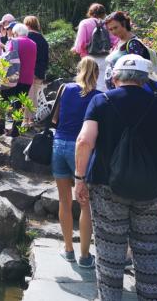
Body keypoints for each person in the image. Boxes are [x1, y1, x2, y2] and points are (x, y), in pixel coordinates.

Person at [74, 54, 157, 301]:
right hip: (153, 189)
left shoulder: (101, 101)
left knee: (109, 253)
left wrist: (79, 178)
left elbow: (84, 141)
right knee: (149, 253)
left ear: (114, 77)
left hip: (106, 188)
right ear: (145, 79)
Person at [51, 57, 100, 267]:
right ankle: (85, 256)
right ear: (96, 74)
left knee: (64, 200)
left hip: (58, 144)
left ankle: (68, 249)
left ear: (79, 70)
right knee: (85, 204)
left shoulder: (65, 88)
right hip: (80, 149)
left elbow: (54, 119)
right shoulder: (99, 97)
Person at [0, 23, 37, 137]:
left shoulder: (13, 42)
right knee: (19, 104)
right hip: (27, 78)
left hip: (13, 77)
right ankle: (15, 131)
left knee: (2, 101)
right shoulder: (33, 44)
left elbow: (7, 57)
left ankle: (0, 129)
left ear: (15, 32)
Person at [103, 11, 154, 90]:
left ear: (124, 23)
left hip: (128, 92)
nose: (113, 31)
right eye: (110, 29)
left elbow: (136, 72)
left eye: (115, 27)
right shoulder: (118, 43)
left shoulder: (133, 44)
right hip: (117, 91)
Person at [72, 3, 119, 92]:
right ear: (104, 13)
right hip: (106, 58)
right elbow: (115, 41)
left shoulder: (85, 23)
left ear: (90, 12)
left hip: (88, 59)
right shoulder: (108, 24)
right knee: (103, 84)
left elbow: (80, 44)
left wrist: (76, 49)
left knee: (86, 84)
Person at [23, 16, 49, 126]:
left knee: (28, 95)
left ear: (27, 24)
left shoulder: (27, 37)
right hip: (40, 71)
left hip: (29, 70)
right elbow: (46, 58)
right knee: (35, 96)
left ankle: (26, 120)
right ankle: (31, 119)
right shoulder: (43, 39)